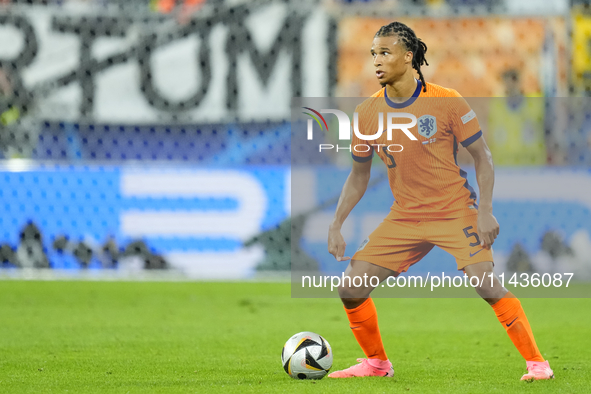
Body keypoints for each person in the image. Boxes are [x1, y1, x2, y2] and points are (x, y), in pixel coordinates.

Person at [326, 21, 554, 382]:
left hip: (454, 210)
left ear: (409, 56)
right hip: (405, 216)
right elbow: (358, 176)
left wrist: (486, 211)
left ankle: (538, 364)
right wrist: (337, 223)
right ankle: (376, 364)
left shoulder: (446, 100)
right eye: (373, 54)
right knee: (351, 287)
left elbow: (483, 157)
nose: (376, 61)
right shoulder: (366, 114)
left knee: (485, 283)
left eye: (384, 53)